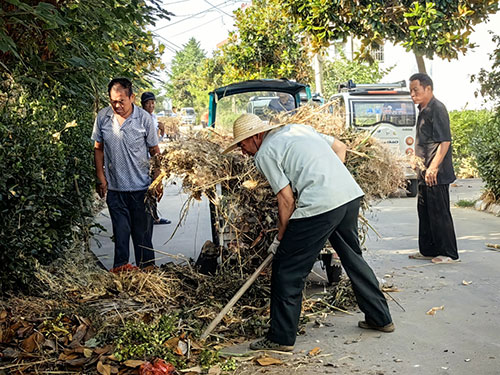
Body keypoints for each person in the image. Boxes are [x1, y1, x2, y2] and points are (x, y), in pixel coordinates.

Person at [222, 114, 394, 352]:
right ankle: (380, 318)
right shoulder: (298, 129)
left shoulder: (265, 153)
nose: (243, 152)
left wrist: (280, 239)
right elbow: (340, 147)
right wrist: (330, 182)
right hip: (348, 196)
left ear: (256, 136)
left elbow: (286, 200)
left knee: (287, 269)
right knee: (353, 258)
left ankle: (280, 338)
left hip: (321, 206)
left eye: (242, 144)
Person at [92, 78, 162, 271]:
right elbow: (98, 148)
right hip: (116, 190)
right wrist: (101, 176)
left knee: (143, 236)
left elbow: (155, 151)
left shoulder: (144, 119)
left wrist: (158, 180)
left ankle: (147, 274)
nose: (117, 105)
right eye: (113, 101)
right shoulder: (103, 117)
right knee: (121, 235)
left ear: (132, 98)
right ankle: (121, 274)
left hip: (142, 189)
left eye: (122, 100)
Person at [408, 73, 459, 264]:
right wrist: (415, 159)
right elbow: (423, 140)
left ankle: (448, 253)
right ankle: (428, 250)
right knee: (425, 211)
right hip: (423, 171)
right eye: (411, 91)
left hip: (436, 172)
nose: (413, 94)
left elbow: (444, 141)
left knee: (439, 212)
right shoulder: (423, 110)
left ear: (428, 89)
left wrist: (434, 167)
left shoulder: (437, 108)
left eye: (416, 90)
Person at [141, 92, 171, 225]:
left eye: (153, 102)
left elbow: (155, 142)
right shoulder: (141, 118)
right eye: (148, 103)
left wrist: (162, 132)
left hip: (152, 158)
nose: (151, 105)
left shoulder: (153, 118)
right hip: (144, 159)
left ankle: (153, 216)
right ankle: (150, 217)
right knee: (149, 187)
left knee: (154, 186)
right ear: (143, 104)